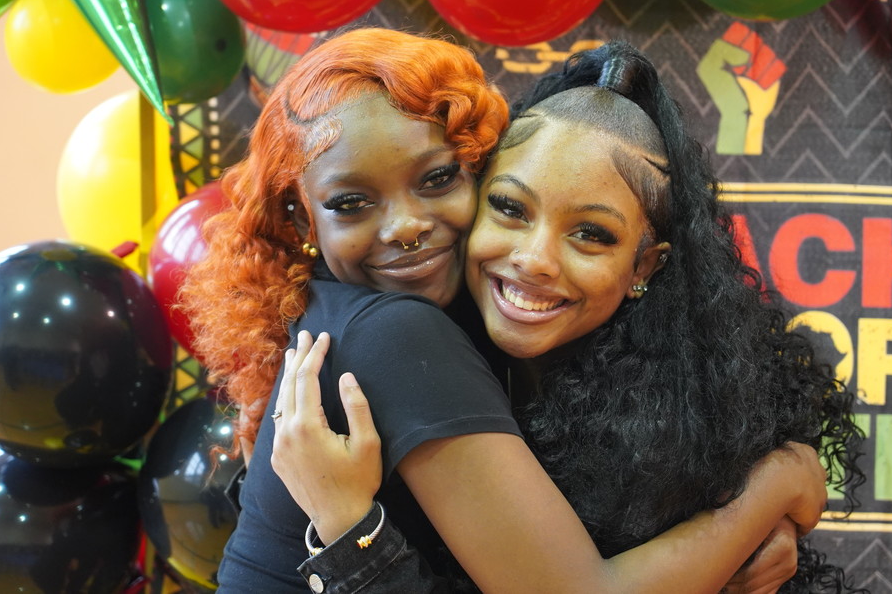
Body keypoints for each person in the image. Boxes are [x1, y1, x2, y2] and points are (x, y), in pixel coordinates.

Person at [182, 29, 852, 593]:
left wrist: (752, 538)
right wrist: (783, 481)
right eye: (353, 203)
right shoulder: (395, 330)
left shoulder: (453, 319)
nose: (406, 226)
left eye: (436, 179)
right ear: (302, 216)